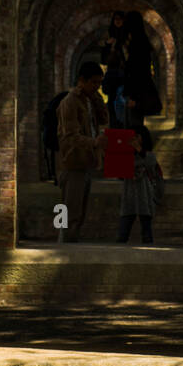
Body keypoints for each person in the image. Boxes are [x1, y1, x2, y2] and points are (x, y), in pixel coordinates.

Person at [56, 61, 109, 243]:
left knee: (80, 210)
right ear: (81, 81)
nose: (96, 87)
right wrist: (94, 142)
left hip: (86, 162)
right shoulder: (69, 102)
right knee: (69, 210)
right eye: (93, 82)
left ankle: (70, 242)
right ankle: (62, 245)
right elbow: (70, 136)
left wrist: (98, 100)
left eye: (99, 83)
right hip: (71, 163)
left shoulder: (90, 100)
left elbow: (104, 119)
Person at [117, 125, 160, 244]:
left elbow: (151, 163)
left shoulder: (148, 154)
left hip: (144, 196)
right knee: (123, 232)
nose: (134, 139)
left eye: (137, 136)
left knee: (146, 231)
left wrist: (138, 148)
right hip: (129, 197)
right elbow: (120, 172)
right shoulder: (127, 155)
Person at [120, 11, 162, 129]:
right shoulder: (141, 42)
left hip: (135, 92)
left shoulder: (137, 44)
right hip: (137, 90)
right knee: (134, 124)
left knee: (133, 126)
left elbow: (137, 72)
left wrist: (133, 97)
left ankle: (137, 147)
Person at [99, 12, 128, 126]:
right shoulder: (110, 33)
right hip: (113, 68)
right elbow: (103, 49)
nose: (117, 21)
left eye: (120, 19)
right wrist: (108, 44)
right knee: (113, 104)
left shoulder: (126, 34)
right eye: (115, 19)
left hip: (122, 69)